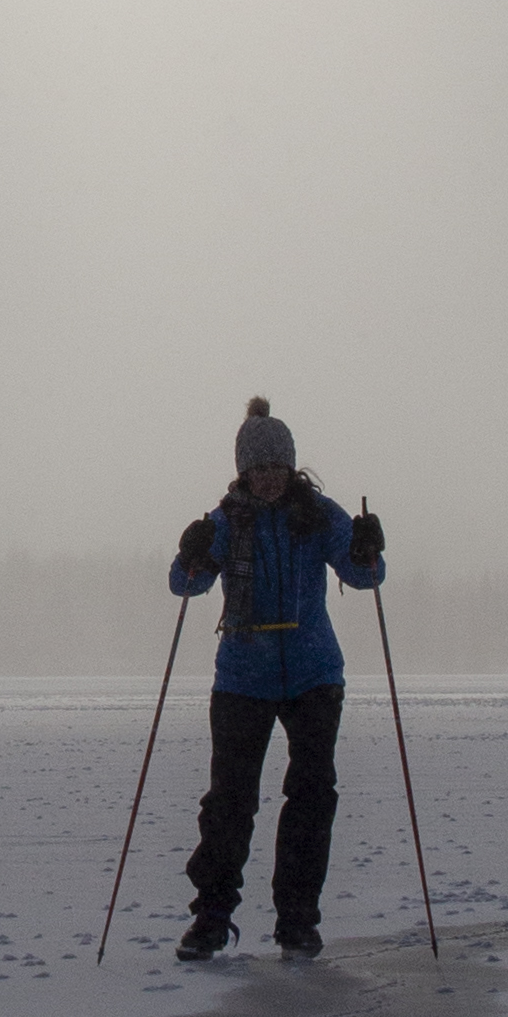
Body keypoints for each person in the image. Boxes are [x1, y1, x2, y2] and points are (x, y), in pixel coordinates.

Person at [167, 402, 387, 962]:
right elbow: (184, 585)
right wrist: (189, 553)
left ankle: (297, 921)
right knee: (230, 804)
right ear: (243, 471)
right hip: (243, 676)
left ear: (291, 468)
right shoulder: (224, 521)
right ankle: (211, 920)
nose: (267, 477)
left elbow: (364, 576)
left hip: (314, 675)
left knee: (311, 796)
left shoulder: (318, 515)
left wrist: (367, 546)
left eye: (276, 467)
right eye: (257, 468)